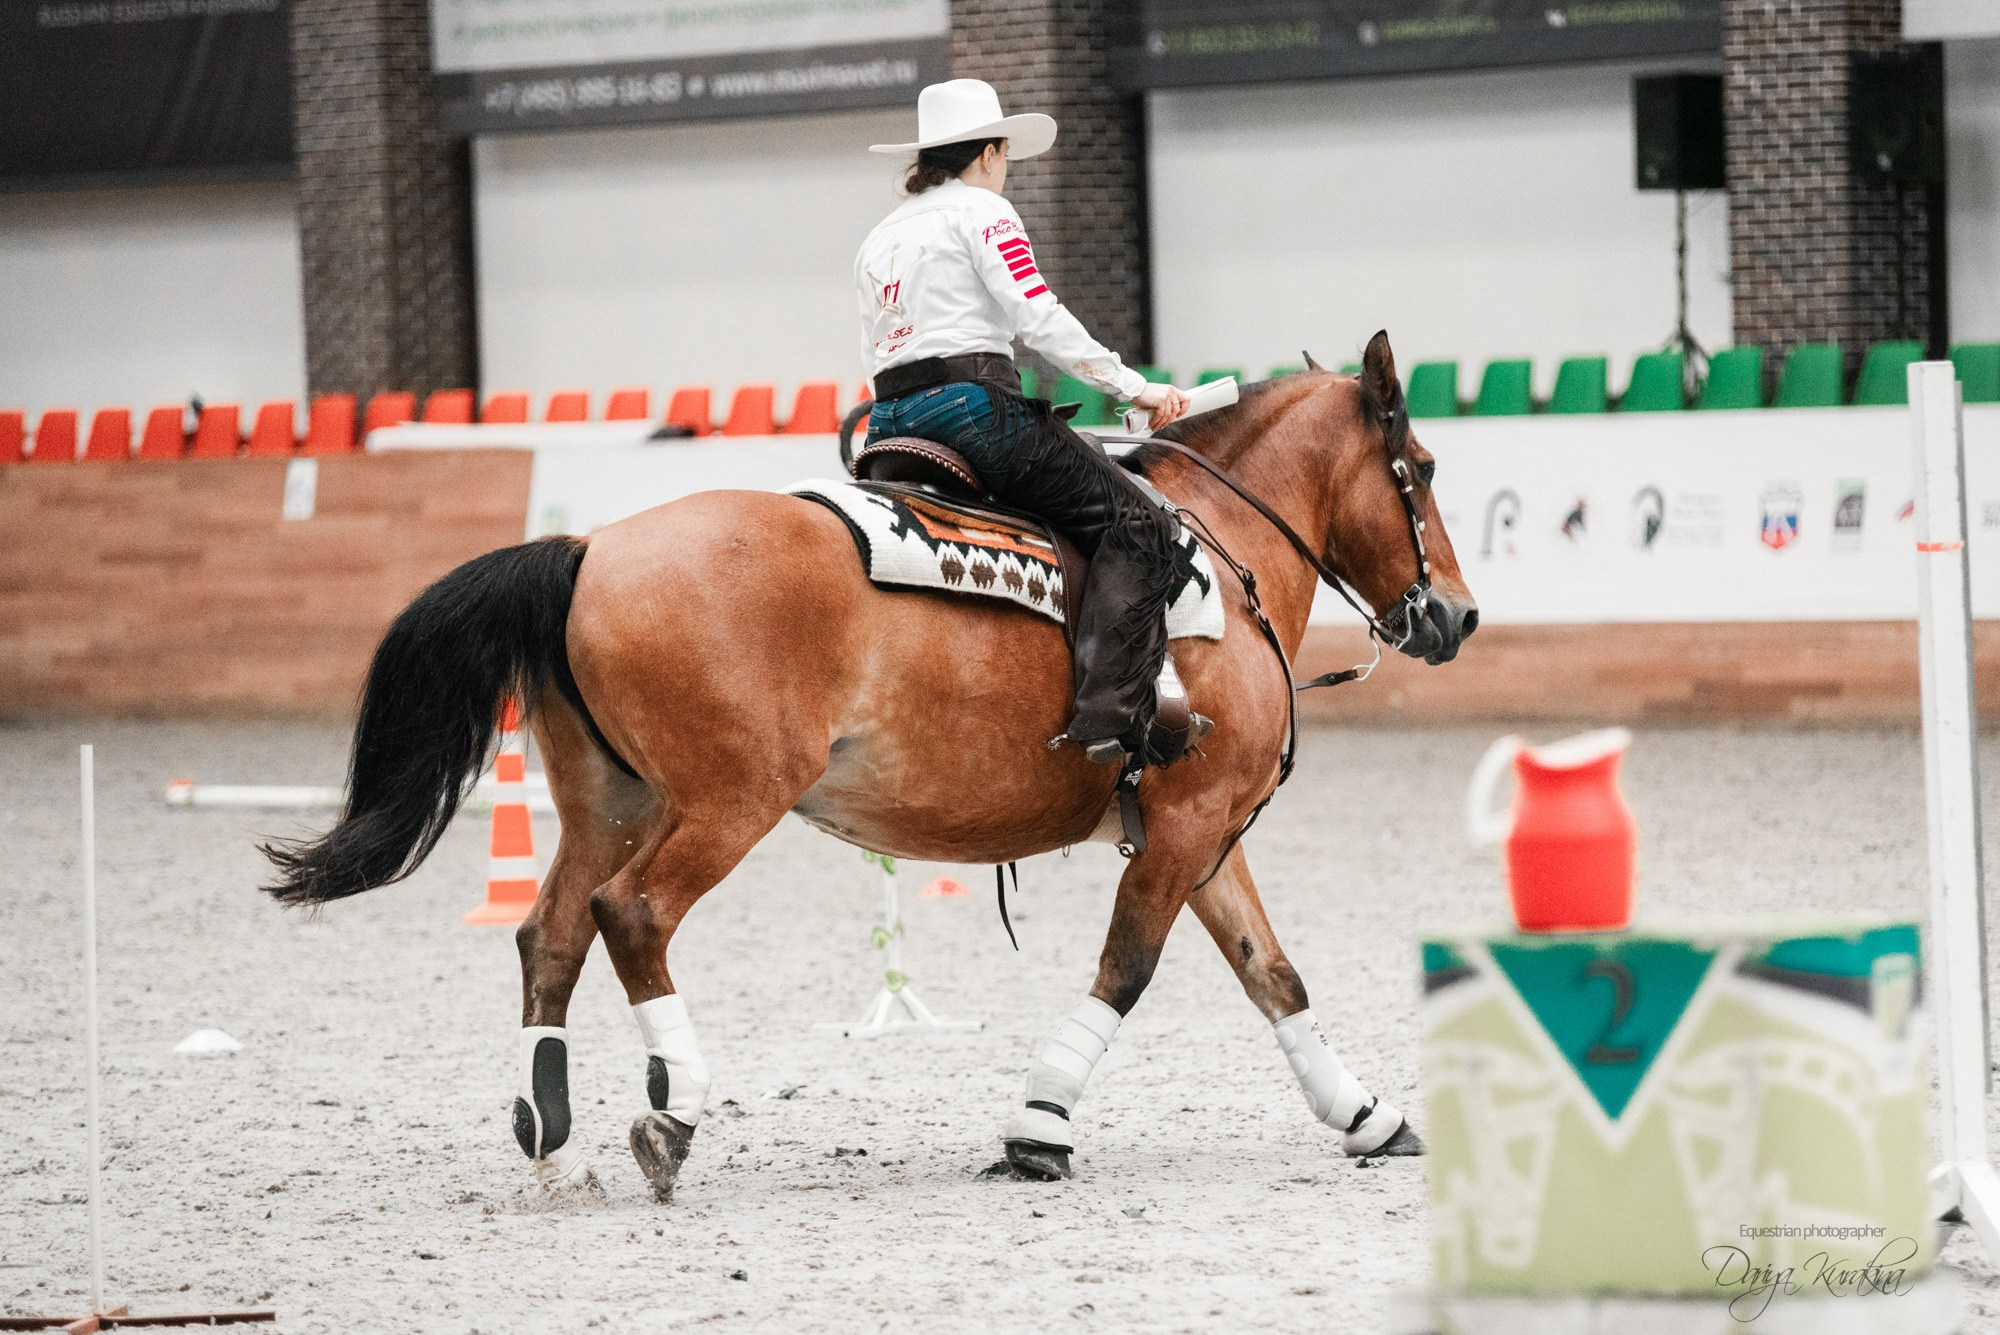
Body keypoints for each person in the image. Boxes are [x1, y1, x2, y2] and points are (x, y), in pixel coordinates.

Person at [855, 78, 1198, 767]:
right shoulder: (985, 211)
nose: (1005, 168)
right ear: (986, 153)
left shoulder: (879, 235)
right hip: (974, 413)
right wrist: (1135, 387)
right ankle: (1110, 715)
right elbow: (1037, 316)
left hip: (888, 422)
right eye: (1005, 155)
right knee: (1141, 523)